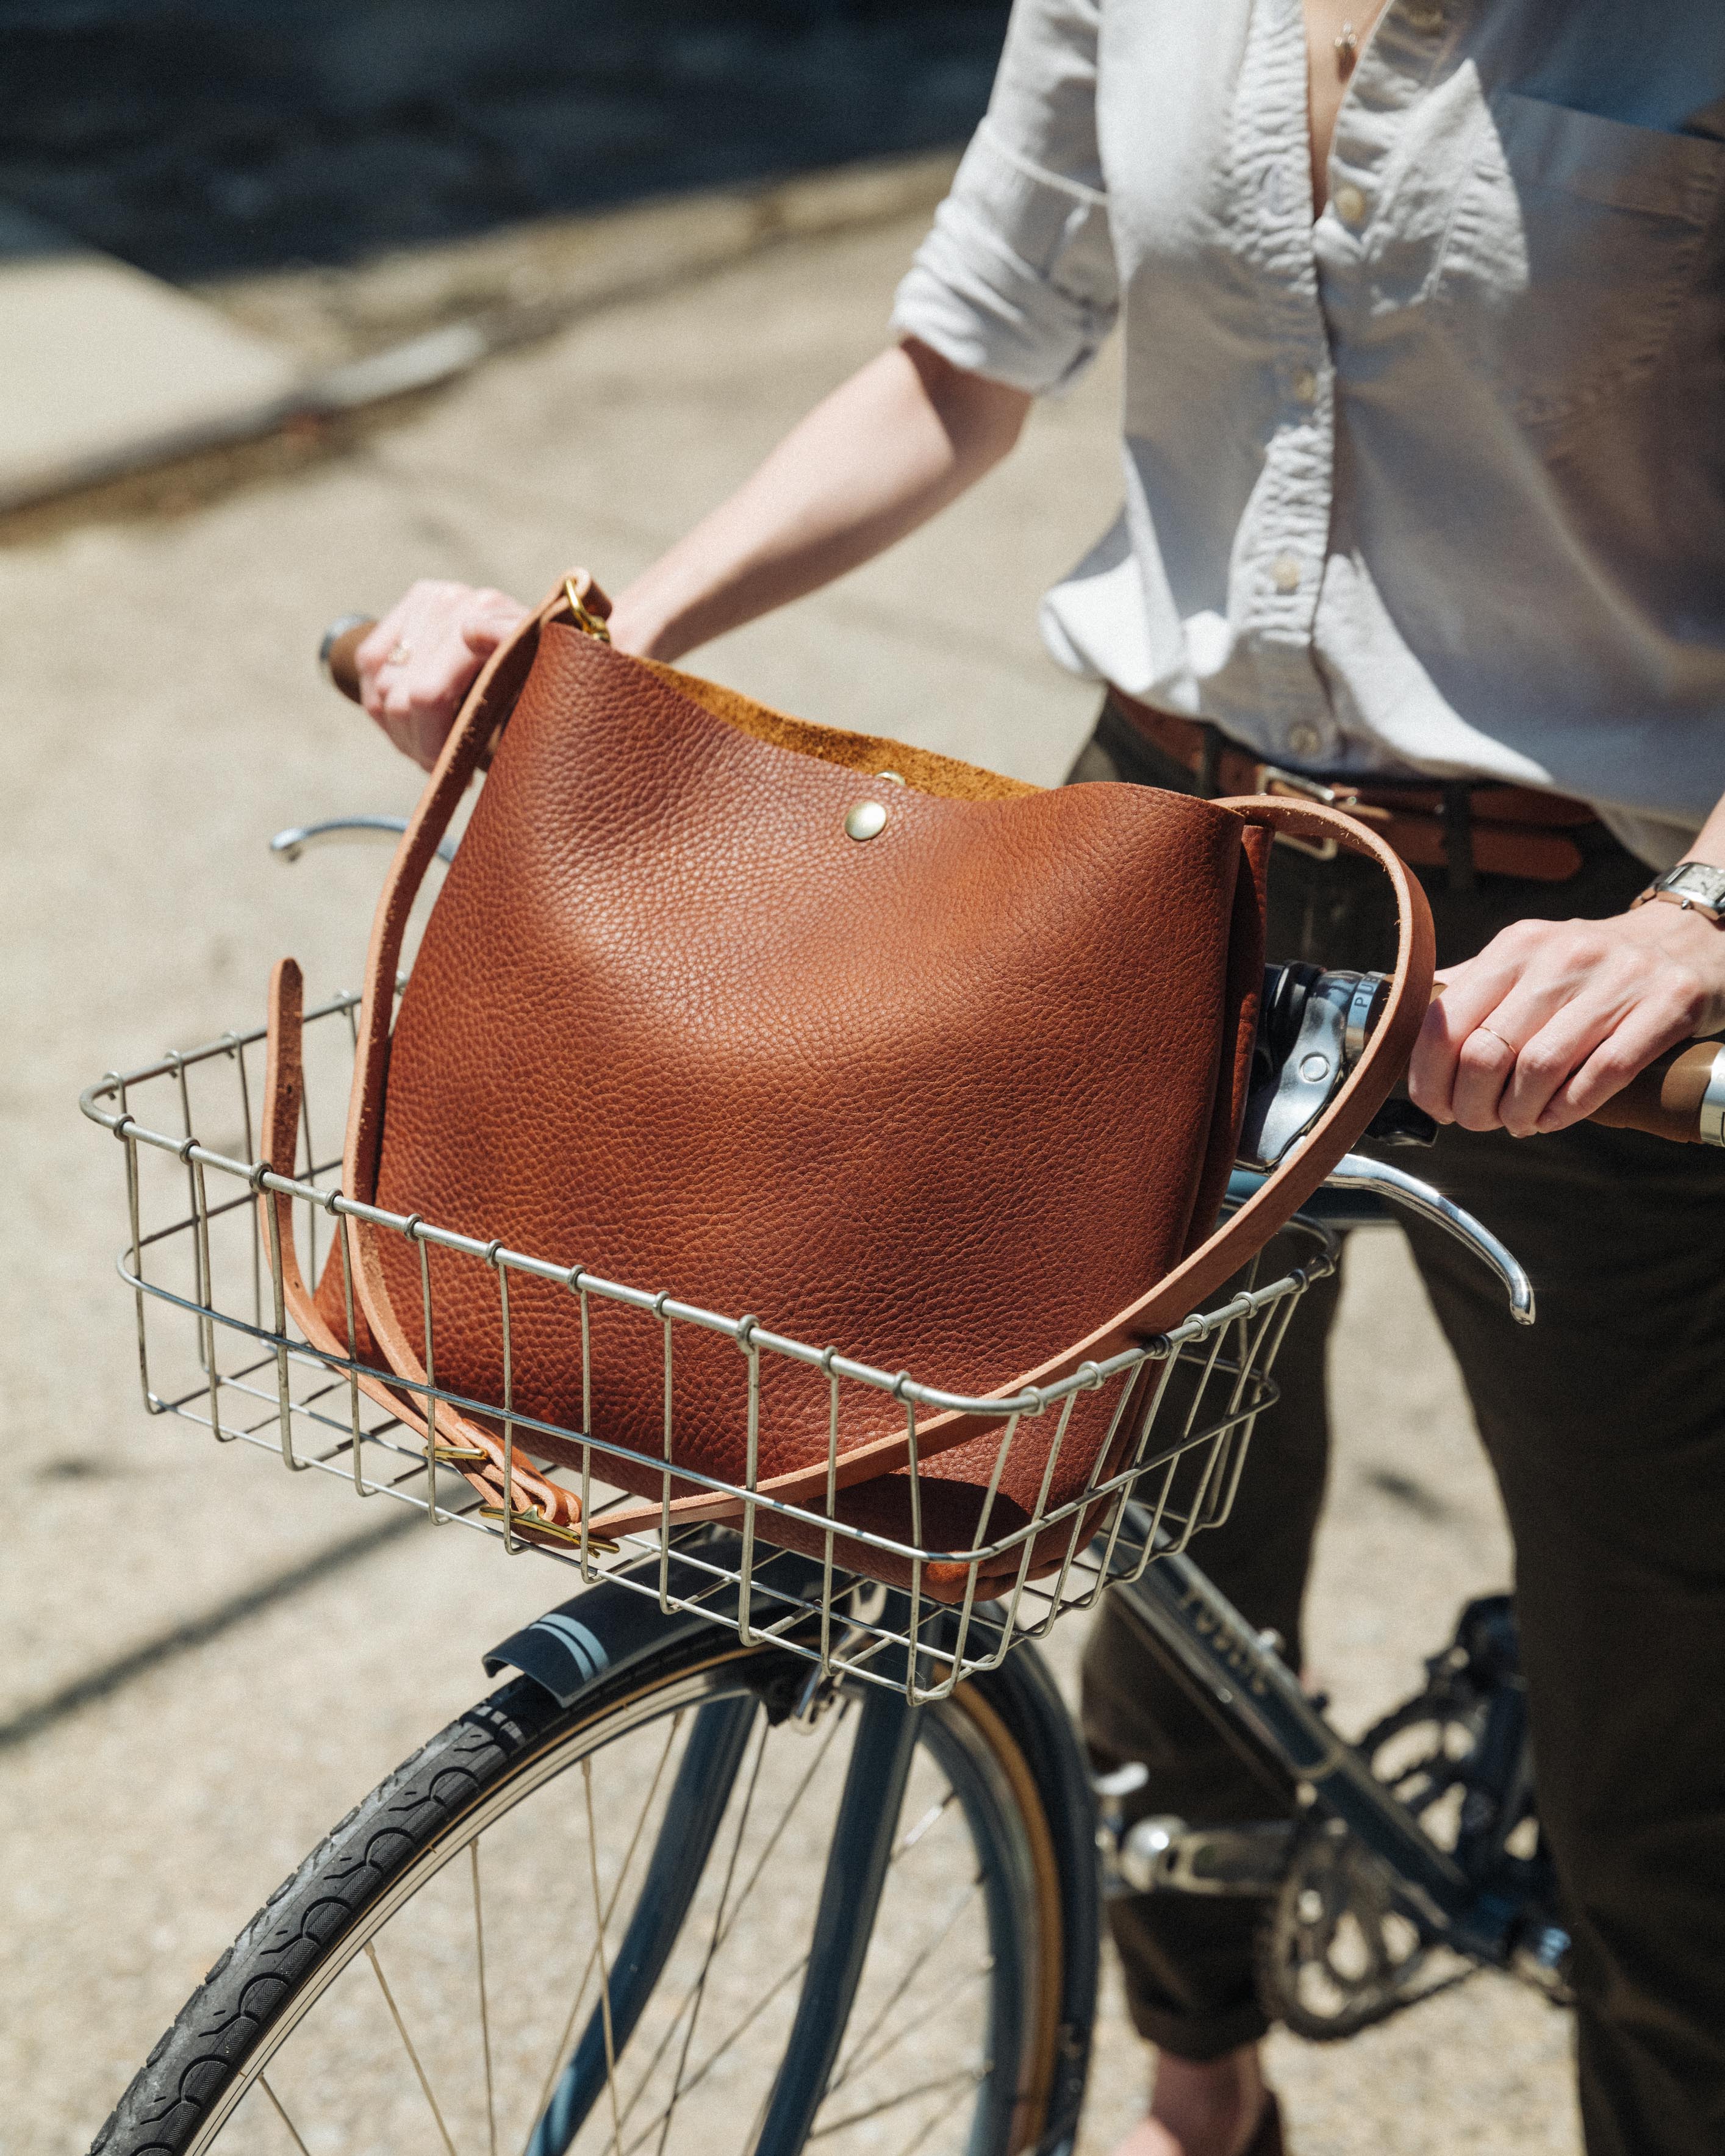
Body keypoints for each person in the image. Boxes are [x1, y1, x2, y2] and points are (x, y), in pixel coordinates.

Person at [353, 4, 1725, 2151]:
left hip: (1567, 968)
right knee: (1138, 1550)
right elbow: (956, 367)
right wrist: (601, 649)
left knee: (1671, 1750)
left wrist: (1692, 929)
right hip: (1161, 877)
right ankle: (1197, 2096)